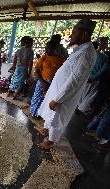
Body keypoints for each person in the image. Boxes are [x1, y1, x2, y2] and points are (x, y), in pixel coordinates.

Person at [36, 19, 97, 150]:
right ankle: (46, 130)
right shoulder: (81, 49)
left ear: (84, 34)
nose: (71, 35)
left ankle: (51, 141)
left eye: (74, 33)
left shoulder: (86, 53)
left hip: (64, 94)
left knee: (58, 117)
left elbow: (75, 80)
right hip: (59, 89)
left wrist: (58, 99)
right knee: (52, 114)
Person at [30, 41, 65, 118]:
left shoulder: (61, 59)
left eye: (50, 48)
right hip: (42, 81)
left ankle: (40, 113)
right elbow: (37, 71)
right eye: (47, 48)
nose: (47, 49)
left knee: (46, 99)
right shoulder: (43, 58)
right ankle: (33, 112)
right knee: (37, 97)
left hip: (54, 82)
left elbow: (63, 71)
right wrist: (43, 82)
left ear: (55, 49)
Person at [77, 41, 109, 114]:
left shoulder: (85, 55)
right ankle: (82, 110)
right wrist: (94, 77)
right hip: (95, 80)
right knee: (89, 96)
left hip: (84, 79)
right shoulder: (103, 57)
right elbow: (103, 69)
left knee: (81, 94)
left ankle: (79, 108)